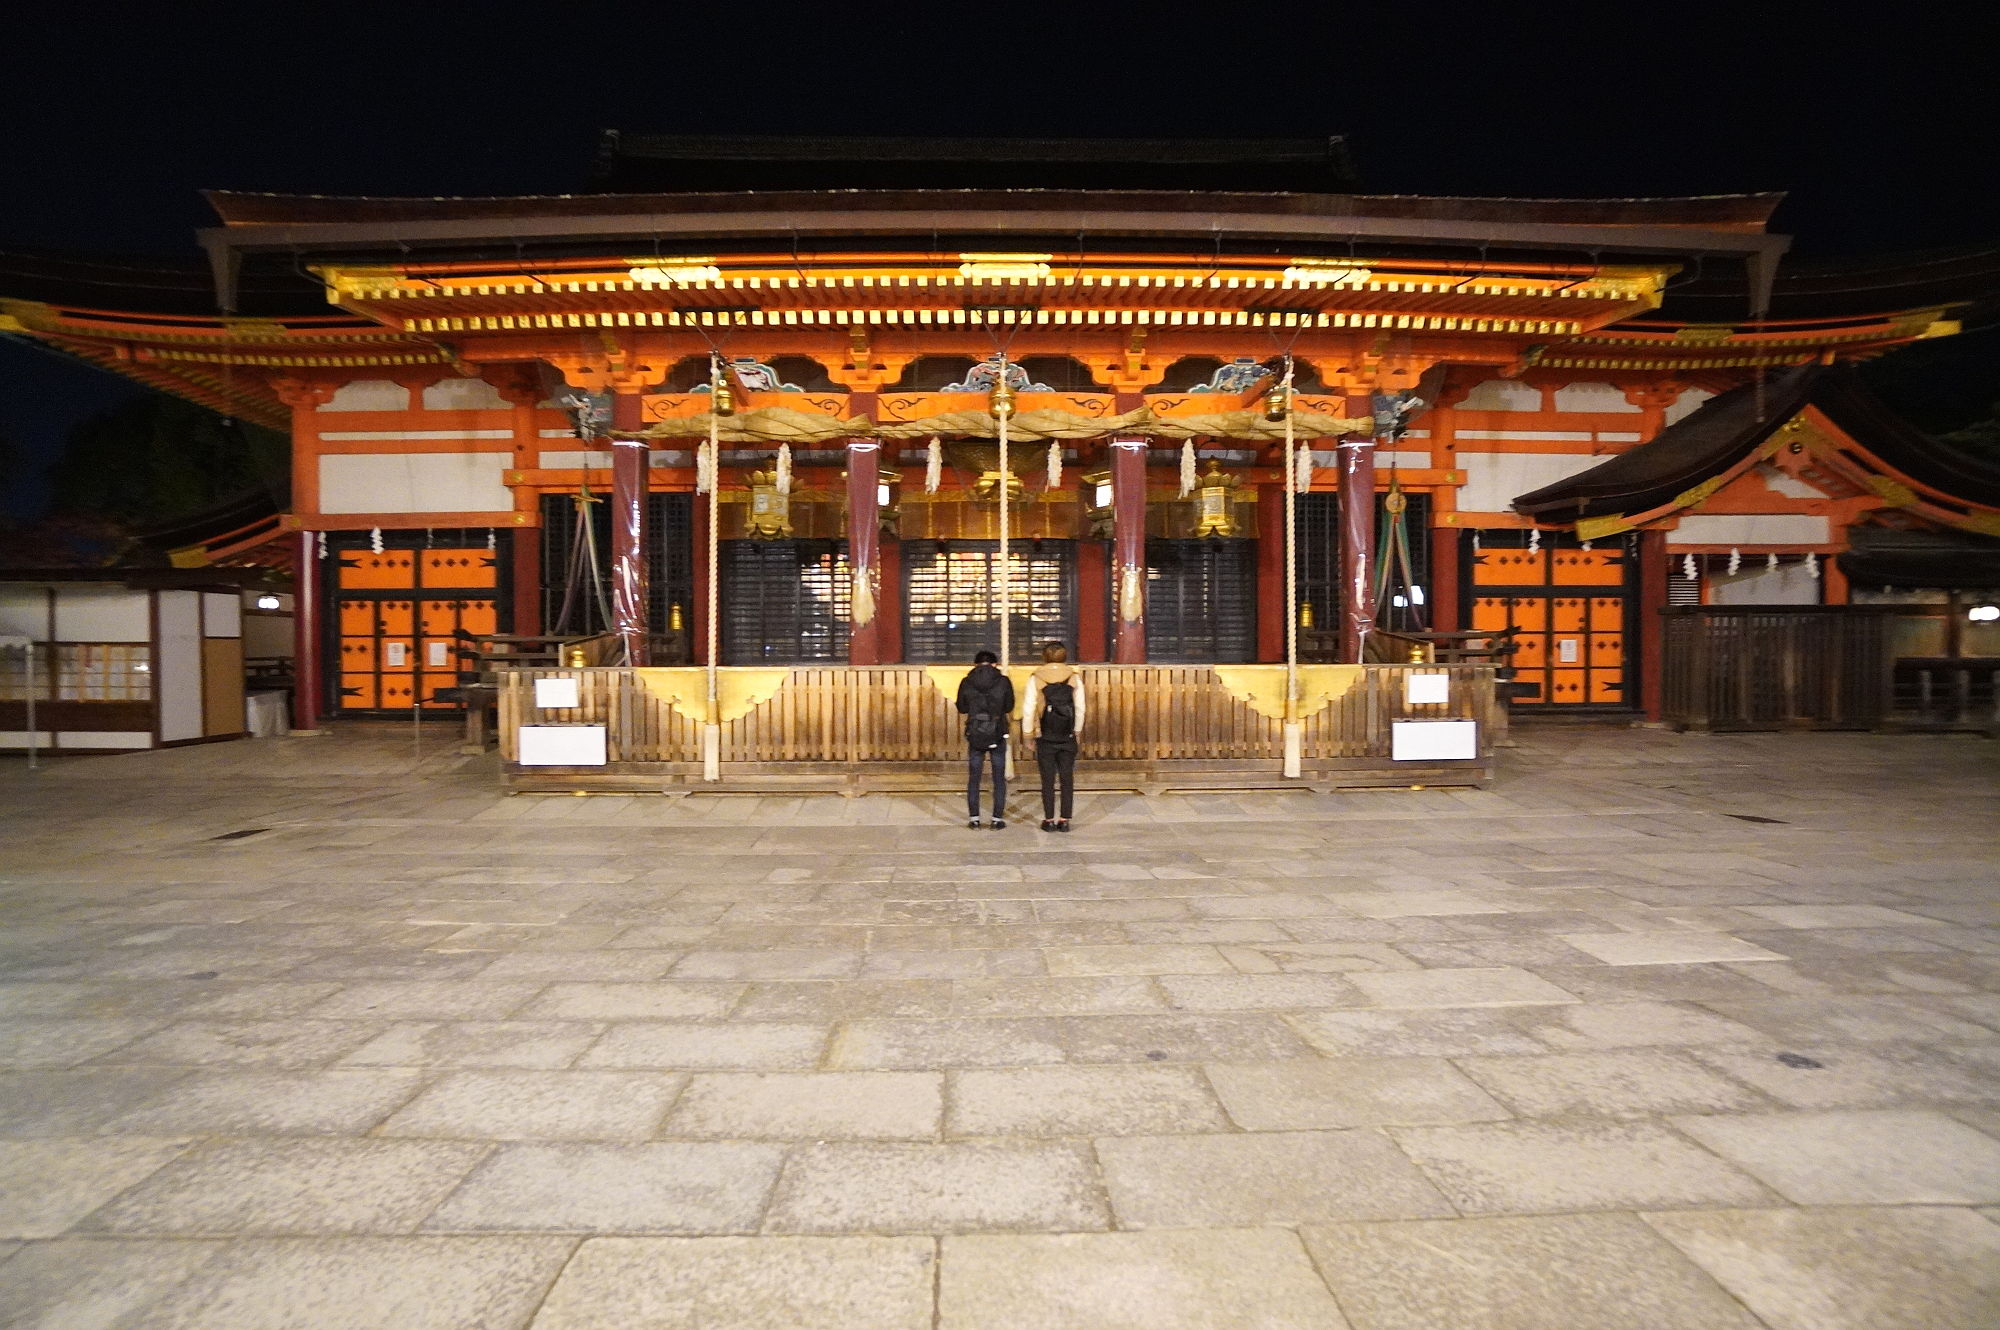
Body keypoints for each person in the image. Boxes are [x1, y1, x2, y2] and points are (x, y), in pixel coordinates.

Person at [1023, 641, 1085, 832]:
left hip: (1045, 735)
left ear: (1044, 656)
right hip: (1067, 735)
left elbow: (1028, 708)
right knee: (1067, 778)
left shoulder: (1036, 678)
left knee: (1047, 779)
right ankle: (1064, 819)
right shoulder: (1073, 678)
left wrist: (1028, 735)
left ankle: (1049, 819)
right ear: (1065, 656)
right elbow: (1081, 708)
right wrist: (1077, 730)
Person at [955, 649, 1014, 829]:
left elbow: (962, 707)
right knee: (998, 777)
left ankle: (974, 818)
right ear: (995, 664)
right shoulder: (1003, 681)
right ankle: (997, 818)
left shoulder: (967, 681)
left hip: (975, 732)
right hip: (997, 731)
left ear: (976, 664)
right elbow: (1009, 706)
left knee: (974, 777)